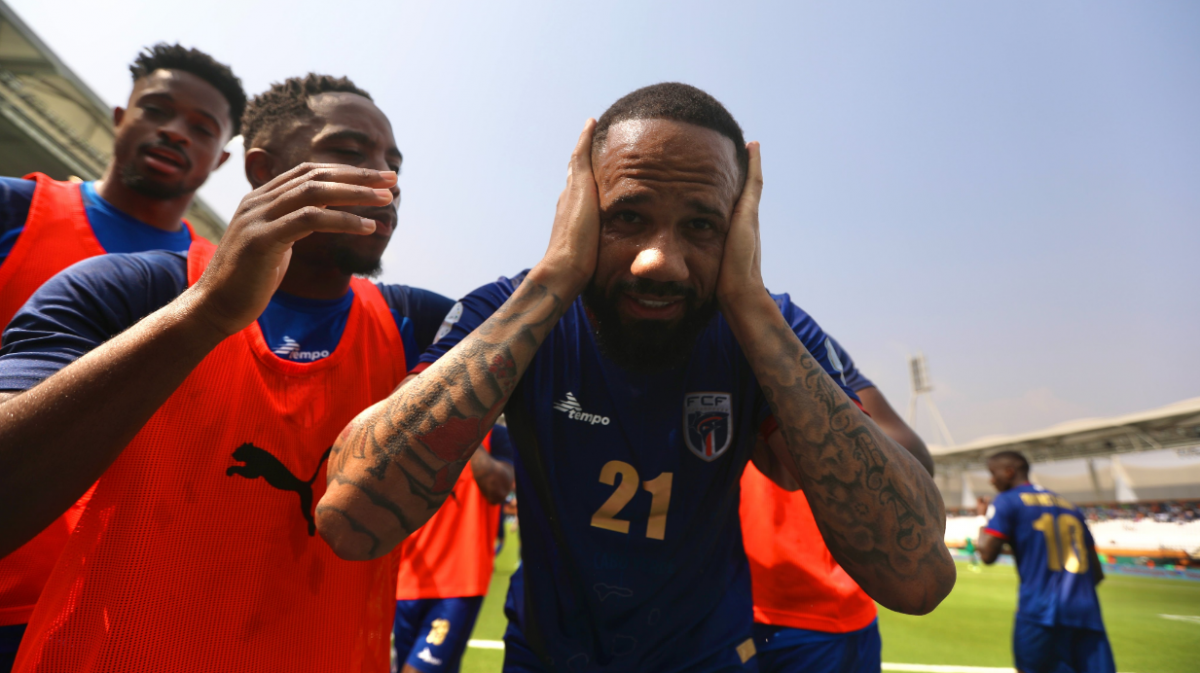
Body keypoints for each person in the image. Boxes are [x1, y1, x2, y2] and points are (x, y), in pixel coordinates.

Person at [317, 82, 956, 672]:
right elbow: (348, 521)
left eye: (702, 225)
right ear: (581, 210)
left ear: (740, 226)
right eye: (627, 217)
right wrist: (556, 275)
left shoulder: (766, 327)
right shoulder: (514, 310)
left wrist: (754, 309)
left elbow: (918, 578)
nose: (660, 261)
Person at [0, 74, 454, 672]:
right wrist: (207, 313)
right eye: (348, 153)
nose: (385, 179)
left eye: (393, 162)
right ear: (262, 170)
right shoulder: (128, 288)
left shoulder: (419, 323)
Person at [0, 43, 245, 672]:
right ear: (119, 117)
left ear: (221, 158)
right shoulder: (17, 211)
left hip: (117, 606)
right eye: (157, 110)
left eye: (200, 127)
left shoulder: (229, 282)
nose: (174, 131)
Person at [741, 336, 934, 673]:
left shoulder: (759, 338)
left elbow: (917, 463)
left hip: (767, 605)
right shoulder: (807, 341)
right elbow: (916, 459)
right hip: (839, 605)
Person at [977, 451, 1115, 673]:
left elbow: (987, 555)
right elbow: (1096, 573)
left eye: (993, 473)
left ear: (1009, 471)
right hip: (1086, 611)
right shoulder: (1069, 505)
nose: (991, 480)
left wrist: (981, 517)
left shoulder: (1008, 501)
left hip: (1041, 611)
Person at [393, 423, 515, 673]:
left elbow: (498, 489)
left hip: (457, 586)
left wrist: (460, 430)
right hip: (404, 581)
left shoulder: (497, 437)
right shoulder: (411, 427)